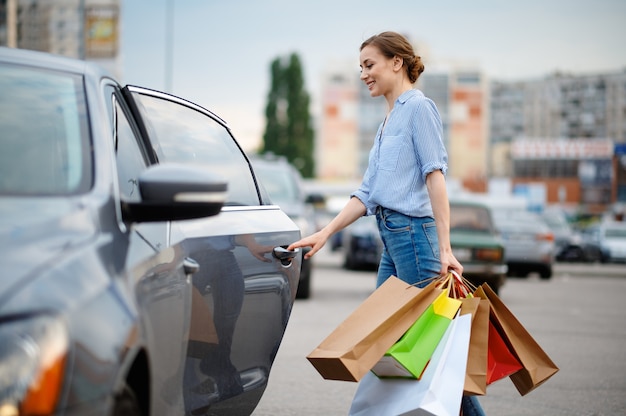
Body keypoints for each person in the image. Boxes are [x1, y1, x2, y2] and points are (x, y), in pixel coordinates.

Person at [287, 31, 486, 416]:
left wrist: (445, 248)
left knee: (430, 349)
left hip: (416, 239)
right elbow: (367, 194)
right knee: (392, 342)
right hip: (394, 243)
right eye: (360, 67)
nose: (363, 74)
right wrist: (325, 232)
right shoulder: (388, 121)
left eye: (369, 64)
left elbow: (436, 177)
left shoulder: (419, 109)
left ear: (397, 62)